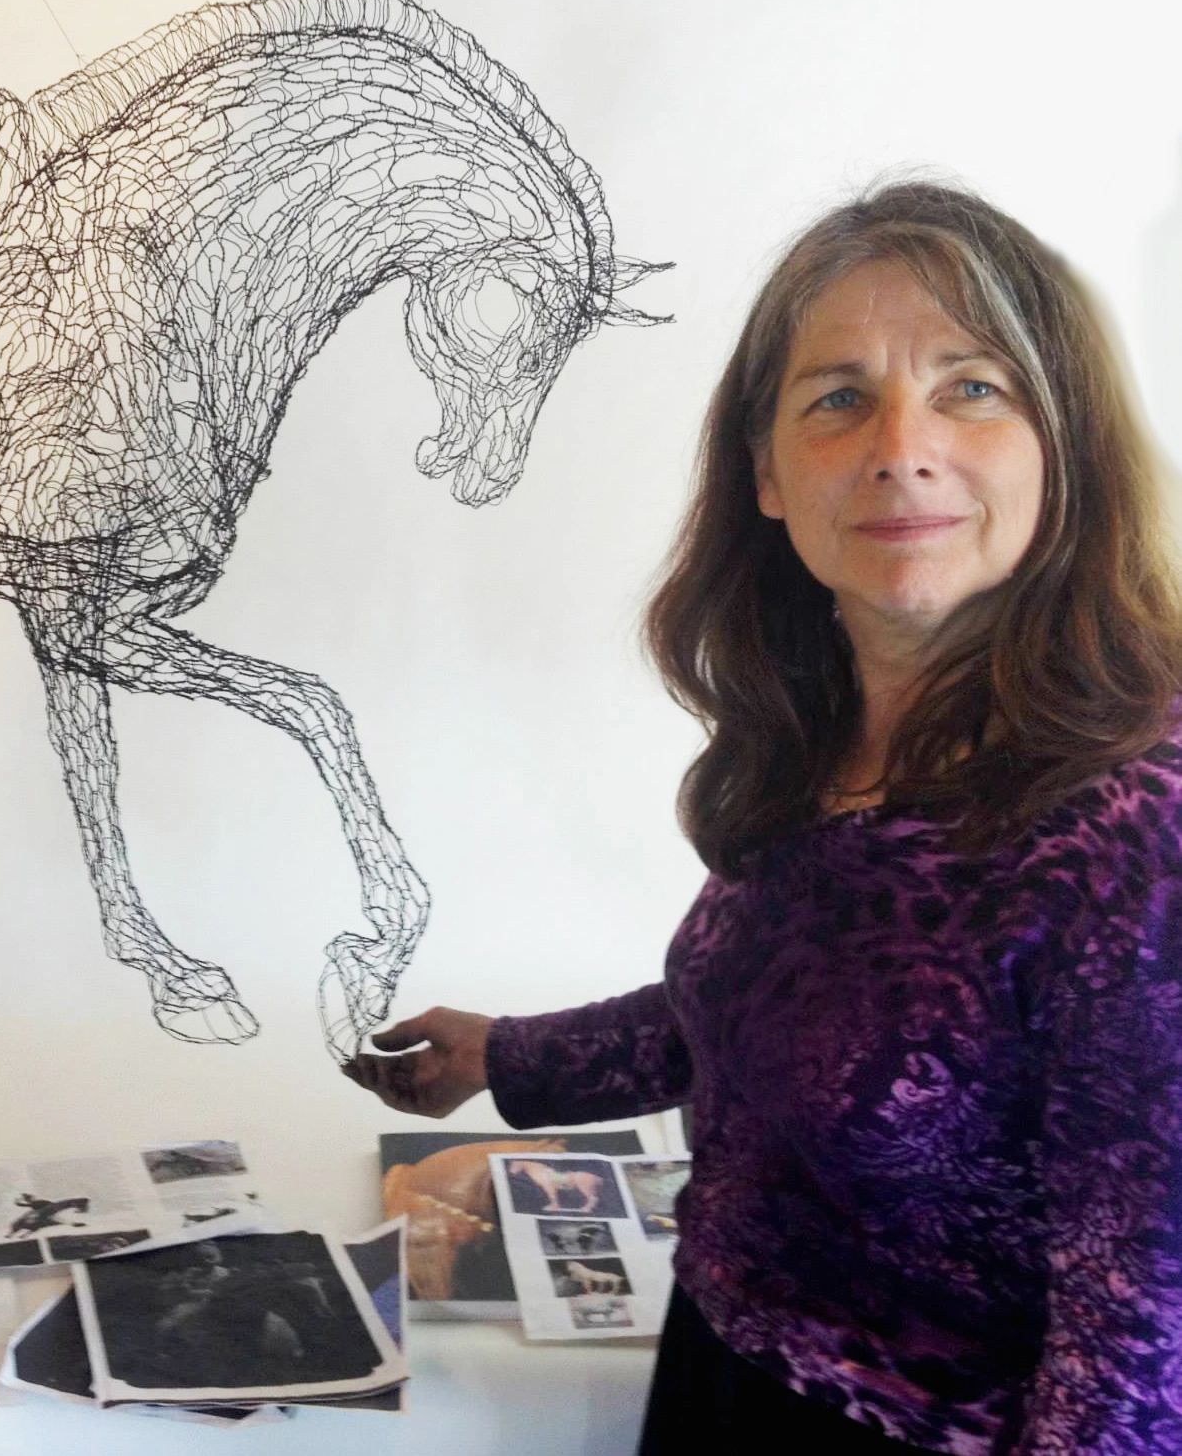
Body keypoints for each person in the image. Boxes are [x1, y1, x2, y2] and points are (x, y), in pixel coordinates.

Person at [344, 181, 1182, 1454]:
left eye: (970, 387)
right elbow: (766, 1006)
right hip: (721, 1375)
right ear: (767, 475)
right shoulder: (817, 738)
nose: (900, 445)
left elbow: (1139, 1347)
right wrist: (503, 1056)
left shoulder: (1137, 832)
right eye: (837, 398)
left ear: (1063, 445)